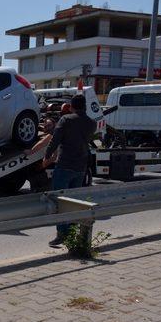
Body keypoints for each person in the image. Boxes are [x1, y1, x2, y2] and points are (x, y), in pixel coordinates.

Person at [44, 94, 97, 247]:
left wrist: (47, 156)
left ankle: (61, 234)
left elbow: (55, 139)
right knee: (74, 203)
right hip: (80, 167)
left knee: (59, 201)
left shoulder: (66, 120)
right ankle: (72, 234)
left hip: (65, 165)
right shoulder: (91, 123)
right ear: (85, 106)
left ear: (72, 106)